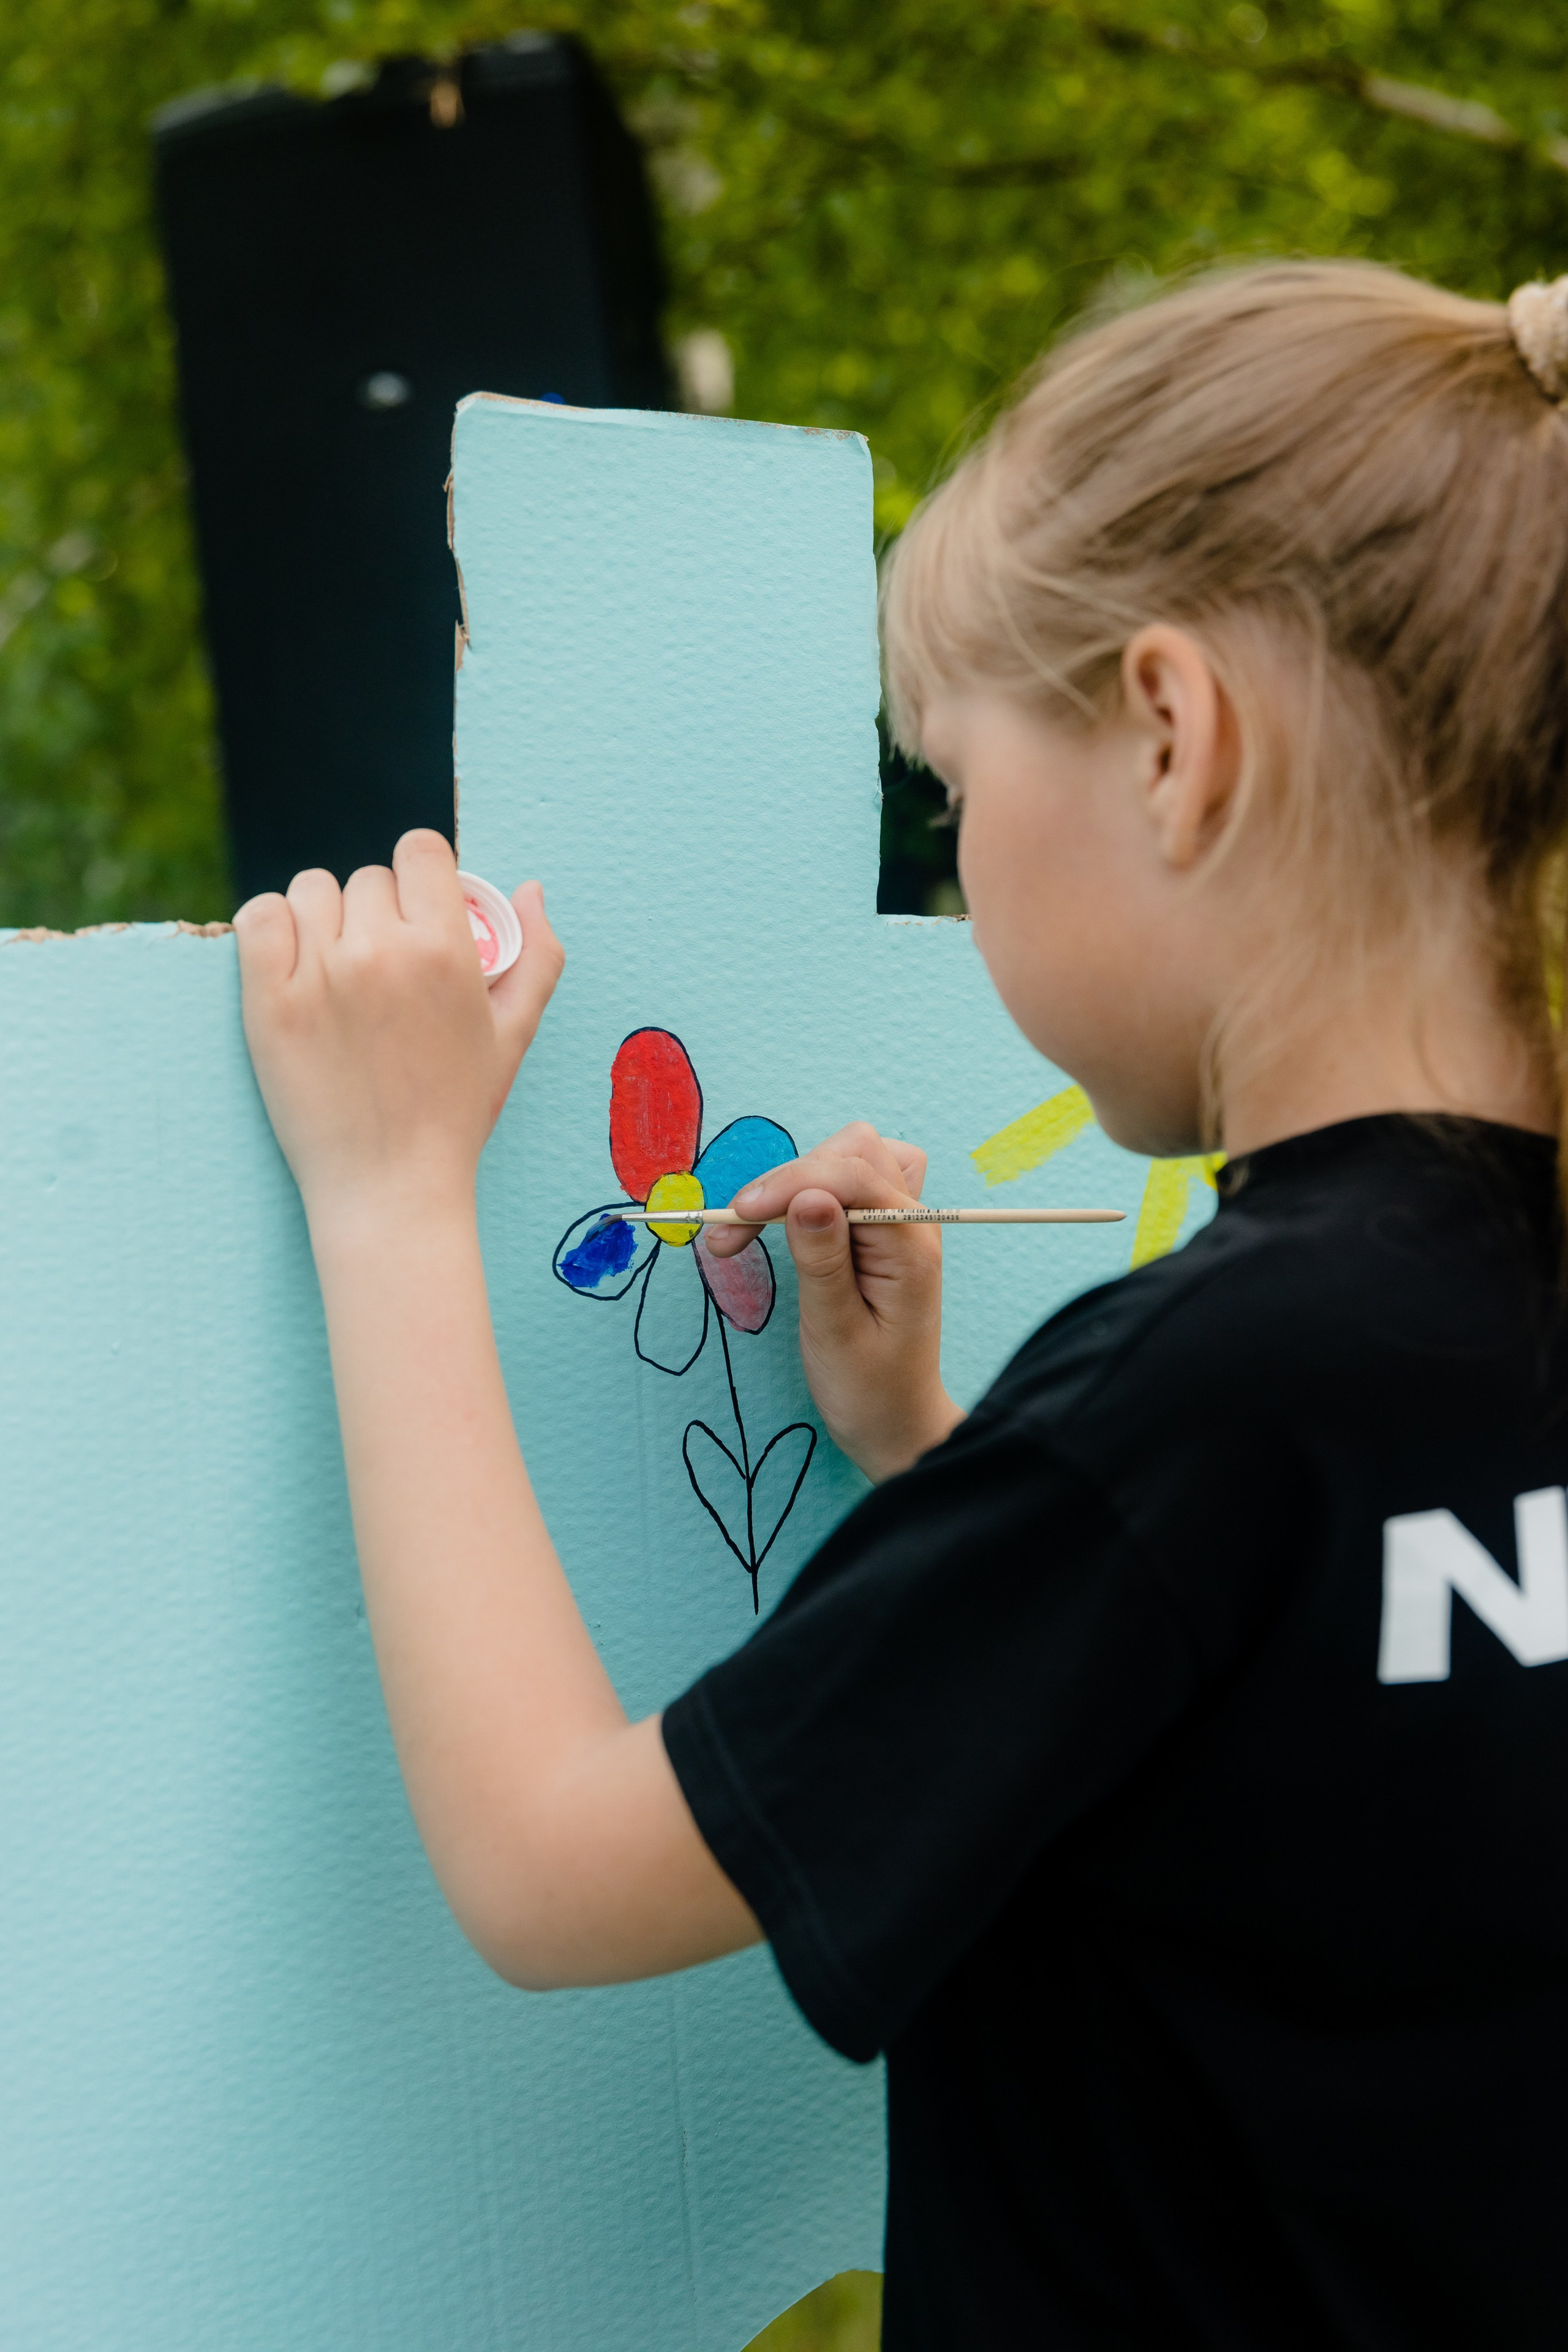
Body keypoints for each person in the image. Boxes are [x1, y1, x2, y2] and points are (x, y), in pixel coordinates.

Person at [233, 258, 1568, 2348]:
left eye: (947, 793)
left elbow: (545, 1865)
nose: (951, 868)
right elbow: (1295, 1779)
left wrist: (394, 1195)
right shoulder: (1414, 1354)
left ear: (1170, 737)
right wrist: (936, 1465)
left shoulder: (1201, 1399)